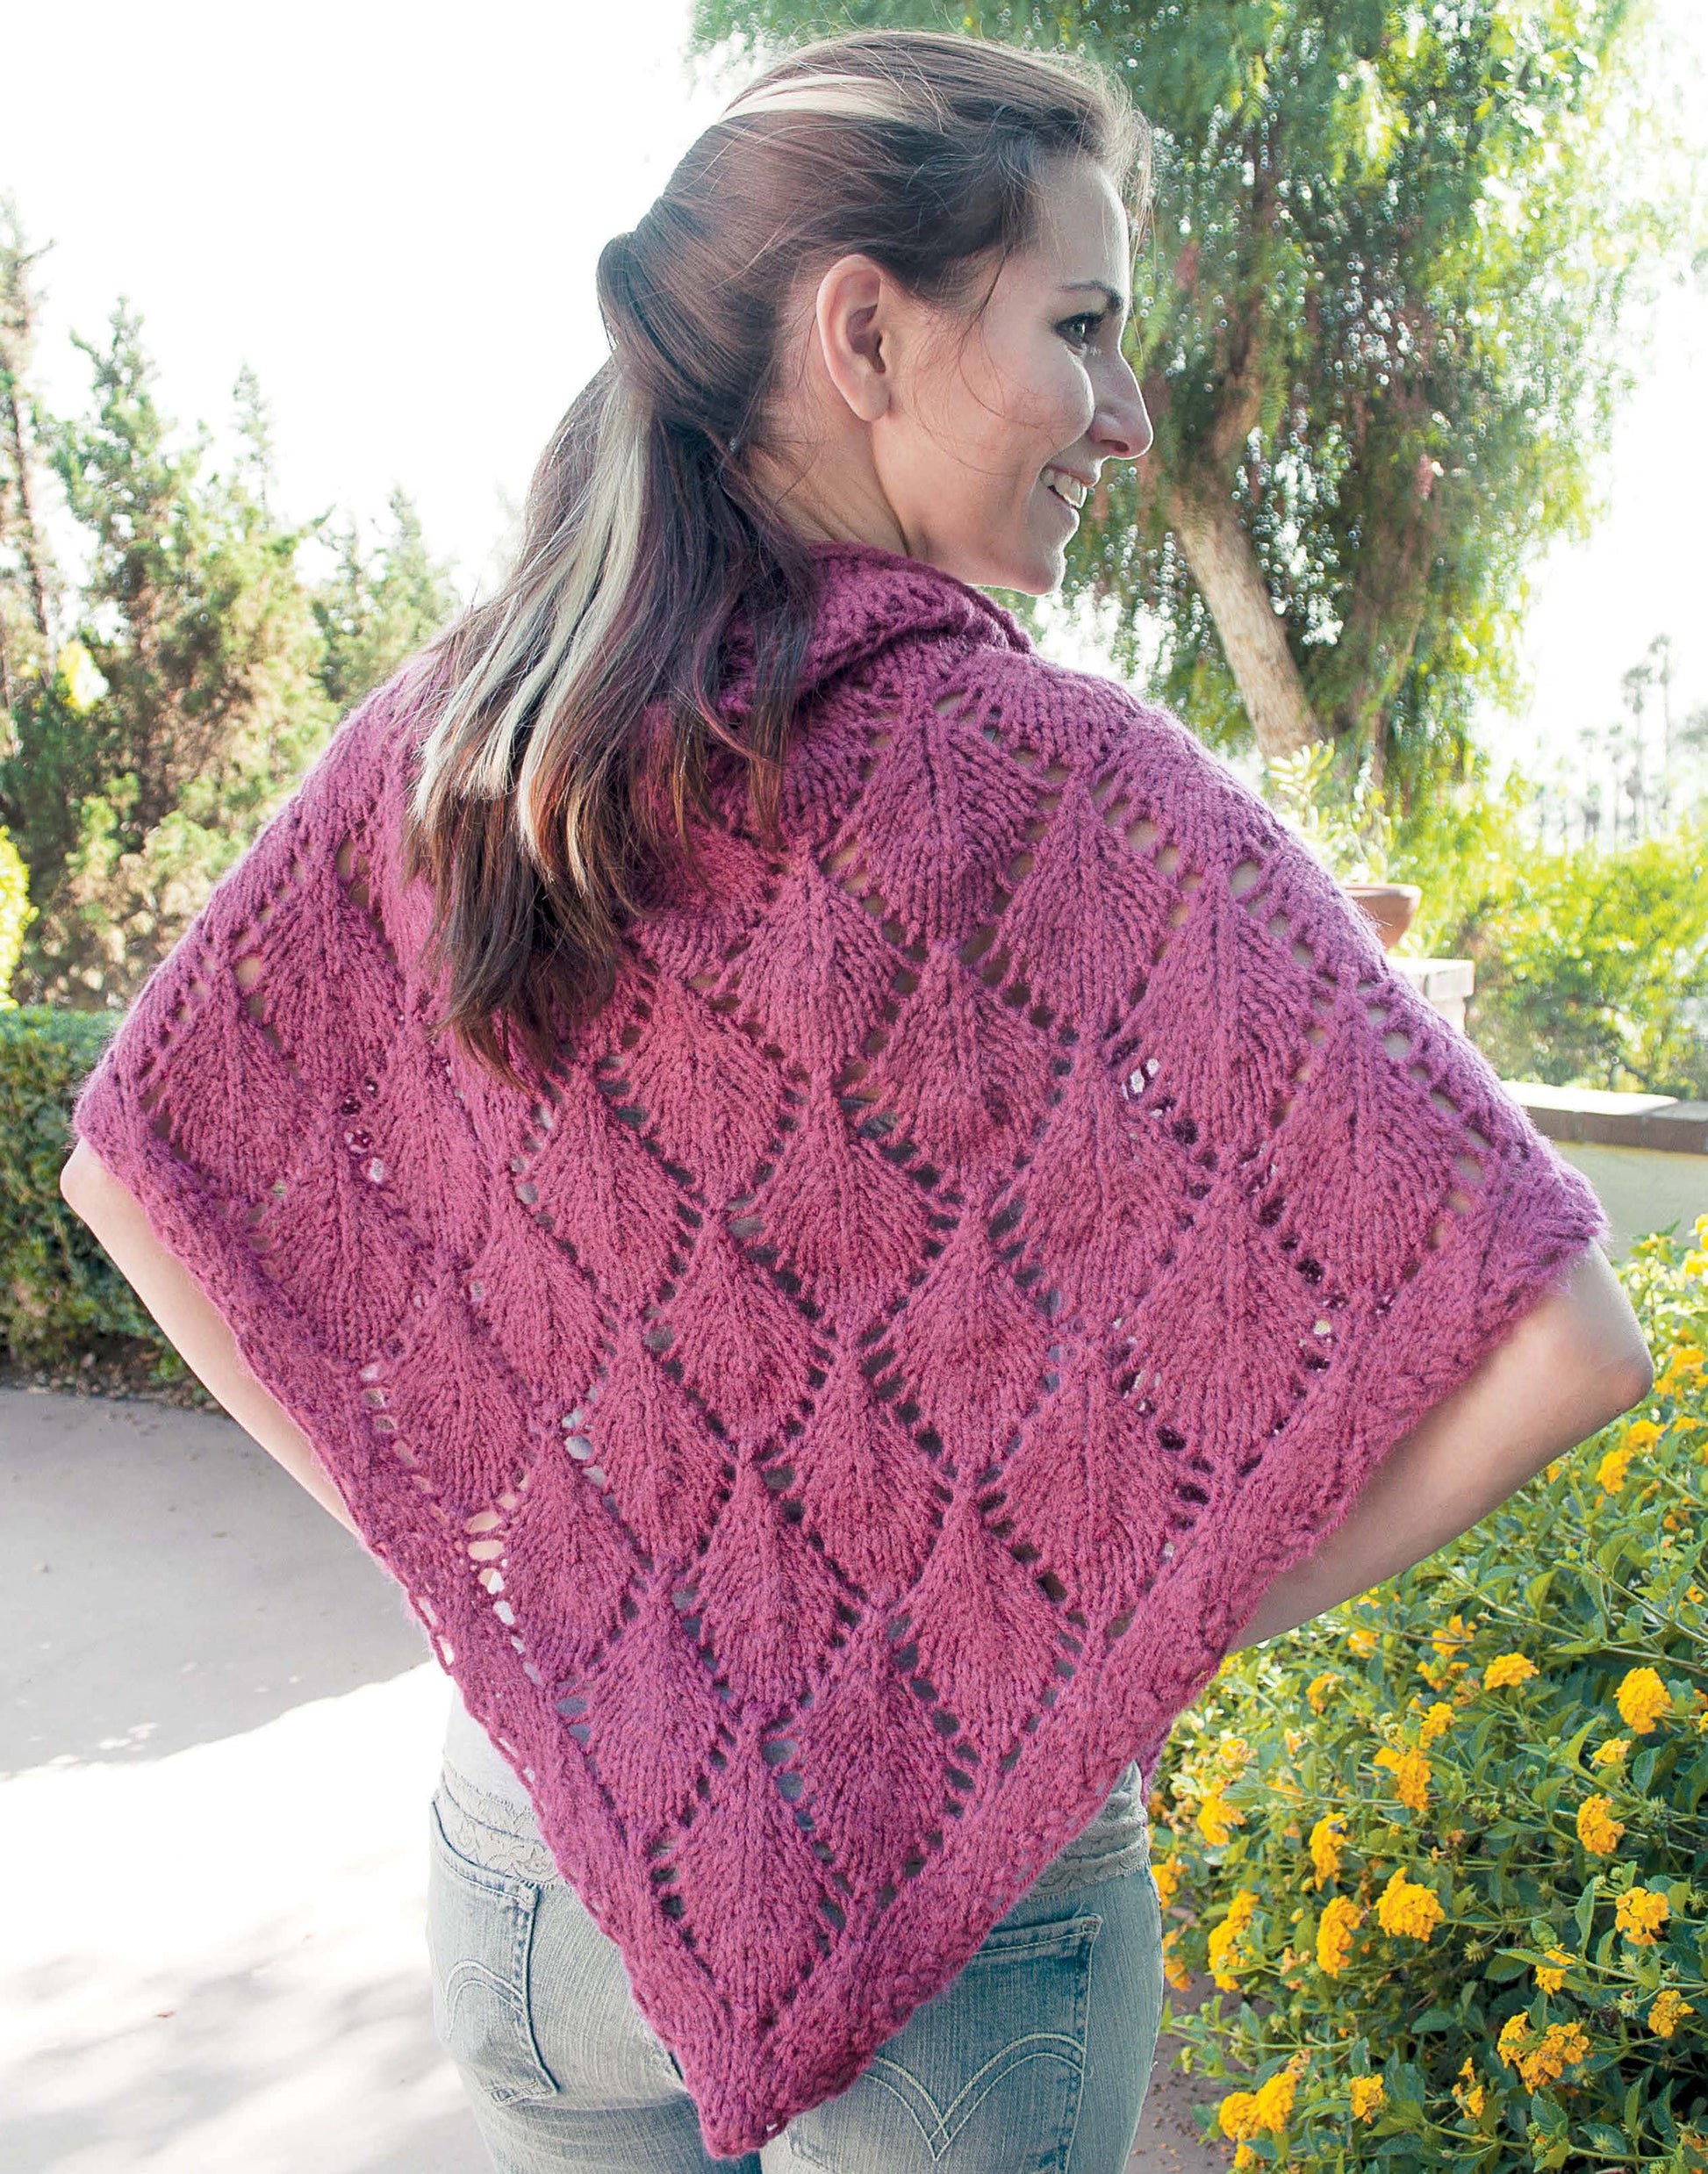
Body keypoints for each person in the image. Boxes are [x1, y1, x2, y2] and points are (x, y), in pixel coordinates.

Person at [60, 26, 1652, 2174]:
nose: (1127, 410)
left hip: (537, 1857)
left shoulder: (470, 738)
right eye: (1080, 327)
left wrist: (473, 1574)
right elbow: (1567, 1338)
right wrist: (1118, 1631)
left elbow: (137, 1170)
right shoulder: (1079, 792)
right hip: (962, 1914)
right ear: (866, 332)